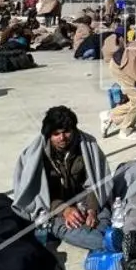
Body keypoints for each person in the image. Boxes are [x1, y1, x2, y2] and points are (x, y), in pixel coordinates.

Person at [11, 106, 113, 250]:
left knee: (104, 210)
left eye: (66, 132)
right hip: (52, 207)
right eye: (56, 134)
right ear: (48, 135)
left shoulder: (87, 146)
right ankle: (107, 242)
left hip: (81, 199)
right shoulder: (35, 156)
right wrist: (64, 210)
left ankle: (103, 236)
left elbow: (97, 183)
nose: (62, 138)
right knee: (59, 226)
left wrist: (92, 210)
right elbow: (37, 197)